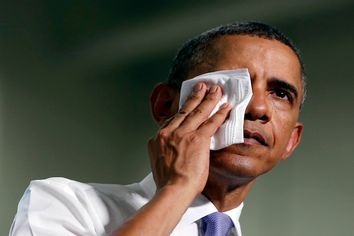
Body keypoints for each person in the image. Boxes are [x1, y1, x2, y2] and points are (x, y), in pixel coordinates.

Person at [9, 22, 306, 236]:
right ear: (165, 105)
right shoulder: (61, 204)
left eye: (280, 94)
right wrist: (177, 190)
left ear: (291, 141)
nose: (258, 108)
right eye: (235, 84)